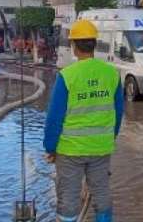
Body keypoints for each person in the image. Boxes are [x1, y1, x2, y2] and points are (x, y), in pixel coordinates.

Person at [44, 20, 123, 222]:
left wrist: (51, 147)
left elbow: (54, 117)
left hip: (70, 150)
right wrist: (108, 138)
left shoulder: (67, 76)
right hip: (101, 147)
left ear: (74, 46)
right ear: (94, 44)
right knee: (102, 194)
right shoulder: (112, 73)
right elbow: (118, 112)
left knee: (69, 198)